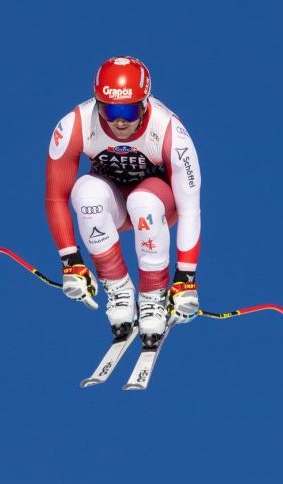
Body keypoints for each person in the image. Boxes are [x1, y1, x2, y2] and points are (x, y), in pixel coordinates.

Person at [46, 56, 201, 347]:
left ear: (144, 103)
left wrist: (186, 278)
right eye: (110, 109)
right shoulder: (74, 125)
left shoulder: (170, 131)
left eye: (129, 111)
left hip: (157, 204)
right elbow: (56, 196)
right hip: (112, 205)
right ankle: (118, 289)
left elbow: (191, 208)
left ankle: (152, 295)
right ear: (97, 103)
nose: (119, 121)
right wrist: (71, 263)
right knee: (85, 192)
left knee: (142, 201)